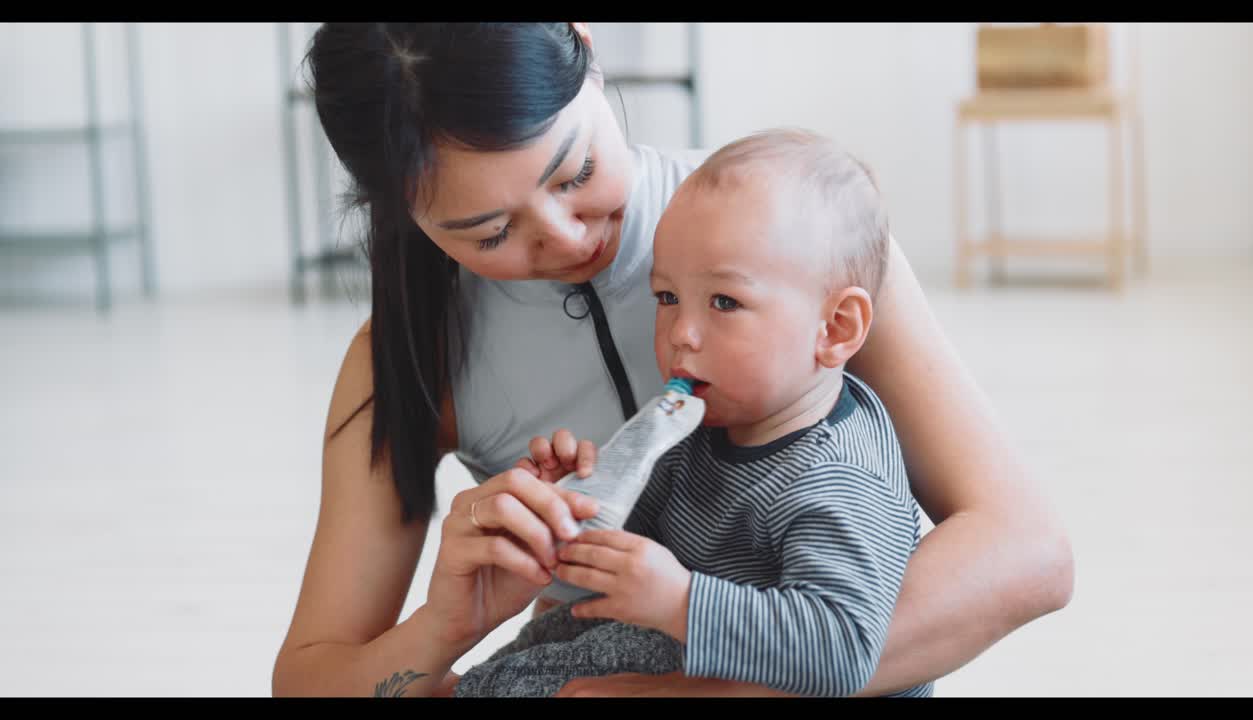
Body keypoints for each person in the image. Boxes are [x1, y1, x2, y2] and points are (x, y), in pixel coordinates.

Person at [270, 22, 1074, 699]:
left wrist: (693, 690)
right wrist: (453, 620)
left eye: (577, 172)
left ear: (587, 44)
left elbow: (1024, 554)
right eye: (489, 234)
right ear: (404, 214)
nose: (567, 236)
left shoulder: (795, 229)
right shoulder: (405, 357)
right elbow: (310, 679)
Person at [452, 128, 934, 698]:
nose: (681, 333)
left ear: (835, 328)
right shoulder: (702, 425)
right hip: (687, 641)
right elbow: (641, 540)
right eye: (667, 297)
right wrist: (579, 503)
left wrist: (679, 601)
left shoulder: (839, 480)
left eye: (725, 302)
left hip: (764, 673)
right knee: (544, 645)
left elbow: (844, 650)